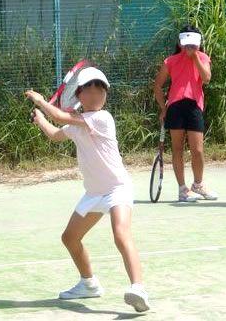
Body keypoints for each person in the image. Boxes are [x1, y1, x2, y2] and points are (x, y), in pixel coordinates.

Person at [25, 67, 150, 312]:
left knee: (121, 234)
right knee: (69, 238)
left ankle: (138, 289)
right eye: (90, 89)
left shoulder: (102, 118)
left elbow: (60, 118)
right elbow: (55, 134)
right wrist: (40, 119)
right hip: (94, 194)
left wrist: (41, 101)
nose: (96, 95)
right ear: (78, 95)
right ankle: (89, 284)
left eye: (100, 90)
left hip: (117, 189)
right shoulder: (77, 124)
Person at [153, 25, 218, 202]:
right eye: (186, 43)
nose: (189, 47)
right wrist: (163, 108)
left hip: (195, 107)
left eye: (193, 43)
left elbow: (206, 78)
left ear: (198, 43)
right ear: (180, 43)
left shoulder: (203, 57)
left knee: (197, 150)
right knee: (177, 149)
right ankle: (183, 190)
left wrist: (195, 56)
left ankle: (198, 185)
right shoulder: (171, 61)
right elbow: (157, 85)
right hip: (175, 107)